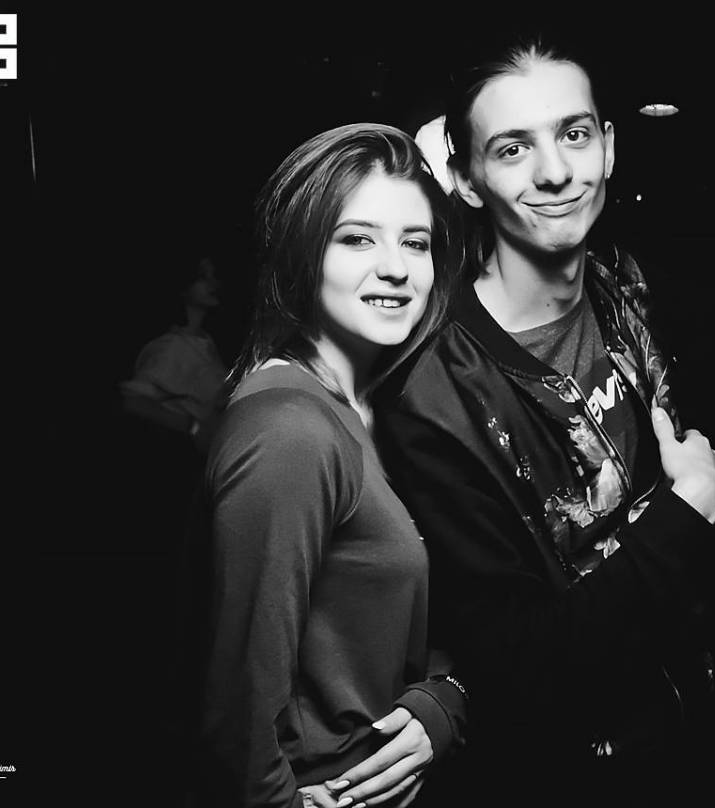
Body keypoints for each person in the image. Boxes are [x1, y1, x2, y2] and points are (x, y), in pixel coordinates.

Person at [373, 35, 715, 805]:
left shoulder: (626, 286)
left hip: (693, 721)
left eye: (574, 134)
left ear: (609, 146)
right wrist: (690, 509)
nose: (556, 172)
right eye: (512, 149)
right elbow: (518, 662)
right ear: (467, 180)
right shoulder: (435, 396)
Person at [179, 123, 466, 808]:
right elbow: (239, 727)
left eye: (415, 242)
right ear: (302, 254)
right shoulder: (290, 430)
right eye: (357, 238)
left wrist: (443, 701)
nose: (396, 268)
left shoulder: (376, 408)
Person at [119, 254, 229, 455]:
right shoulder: (172, 346)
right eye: (202, 277)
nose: (213, 283)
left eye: (213, 276)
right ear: (185, 285)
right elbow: (133, 401)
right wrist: (193, 427)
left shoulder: (207, 342)